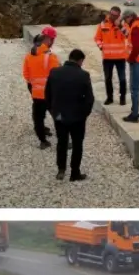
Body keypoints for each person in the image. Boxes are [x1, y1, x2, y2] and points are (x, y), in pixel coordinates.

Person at [44, 48, 95, 182]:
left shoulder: (54, 72)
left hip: (59, 115)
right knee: (77, 145)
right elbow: (89, 99)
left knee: (61, 142)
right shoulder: (83, 75)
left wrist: (53, 111)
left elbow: (47, 95)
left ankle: (61, 169)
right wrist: (84, 114)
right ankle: (75, 173)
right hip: (77, 117)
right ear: (80, 61)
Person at [22, 26, 60, 149]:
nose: (53, 42)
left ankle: (43, 141)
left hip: (36, 93)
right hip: (50, 94)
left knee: (38, 117)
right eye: (53, 39)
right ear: (48, 39)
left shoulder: (29, 55)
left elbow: (26, 75)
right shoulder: (50, 57)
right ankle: (63, 139)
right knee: (58, 116)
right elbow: (56, 76)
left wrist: (33, 88)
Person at [93, 6, 129, 106]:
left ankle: (122, 98)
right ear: (109, 13)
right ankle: (110, 97)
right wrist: (101, 46)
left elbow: (128, 35)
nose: (113, 17)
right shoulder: (103, 24)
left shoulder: (123, 24)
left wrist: (120, 26)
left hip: (120, 57)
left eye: (115, 15)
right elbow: (97, 38)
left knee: (122, 78)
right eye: (112, 15)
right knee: (108, 78)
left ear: (119, 15)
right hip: (107, 57)